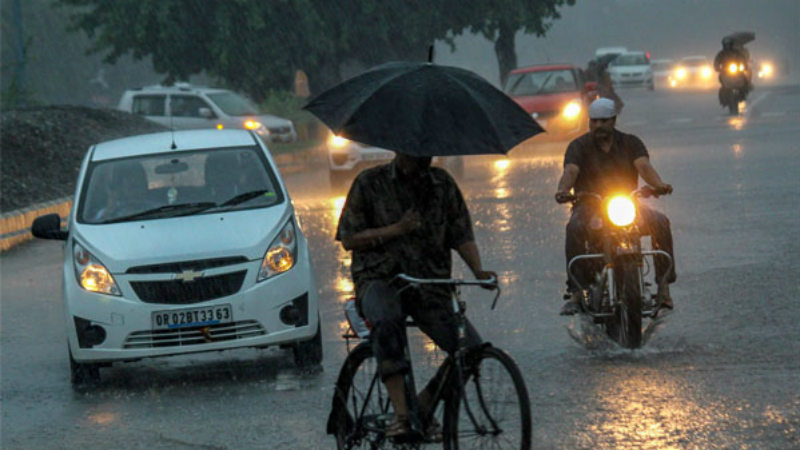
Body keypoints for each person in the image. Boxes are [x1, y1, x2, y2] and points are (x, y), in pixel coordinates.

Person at [336, 152, 496, 440]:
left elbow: (461, 235)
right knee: (387, 322)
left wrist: (479, 272)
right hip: (379, 279)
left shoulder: (442, 184)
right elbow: (349, 237)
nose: (421, 159)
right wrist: (396, 229)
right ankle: (401, 415)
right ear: (398, 150)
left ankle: (421, 405)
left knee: (470, 349)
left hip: (428, 284)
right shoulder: (370, 182)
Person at [554, 98, 675, 315]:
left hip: (626, 205)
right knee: (573, 228)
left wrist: (659, 185)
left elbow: (644, 166)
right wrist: (563, 190)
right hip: (589, 207)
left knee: (660, 222)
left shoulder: (631, 143)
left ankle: (664, 288)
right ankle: (575, 292)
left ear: (613, 121)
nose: (598, 126)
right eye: (594, 122)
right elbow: (570, 172)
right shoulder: (578, 146)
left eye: (603, 121)